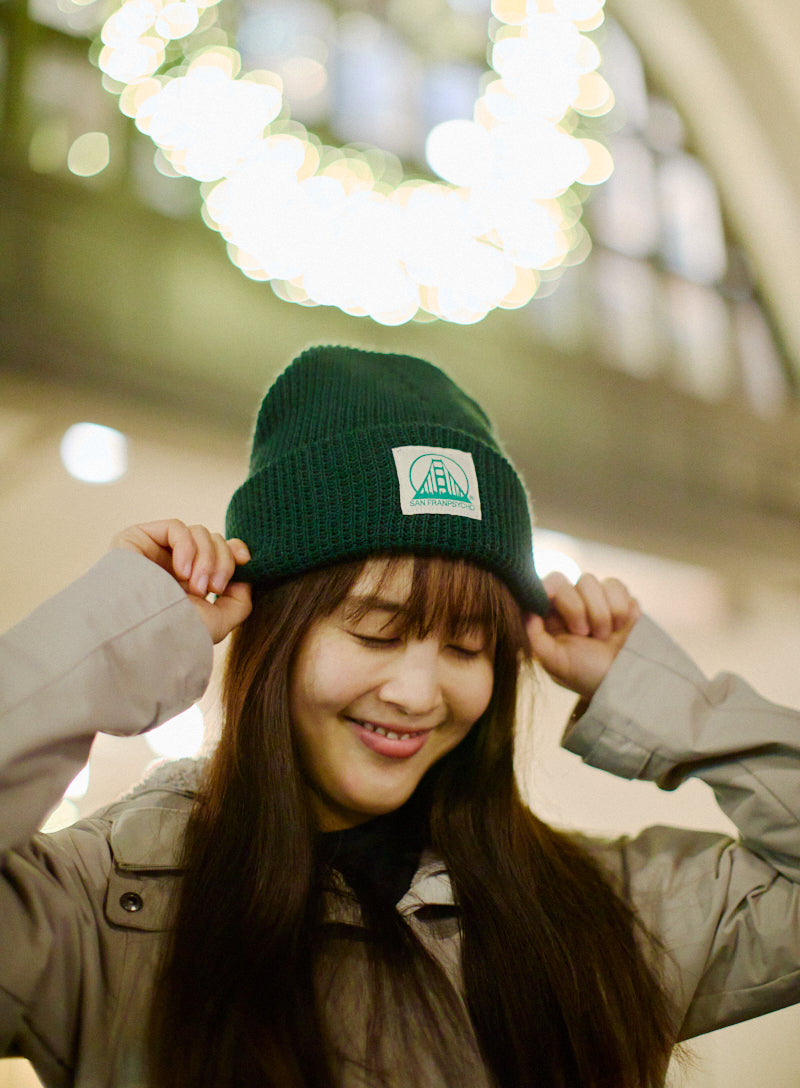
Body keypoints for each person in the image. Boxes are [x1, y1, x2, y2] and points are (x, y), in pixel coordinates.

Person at [2, 345, 800, 1088]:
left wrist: (663, 698)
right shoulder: (99, 905)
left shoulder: (605, 910)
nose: (419, 693)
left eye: (465, 647)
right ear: (276, 634)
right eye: (376, 632)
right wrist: (116, 631)